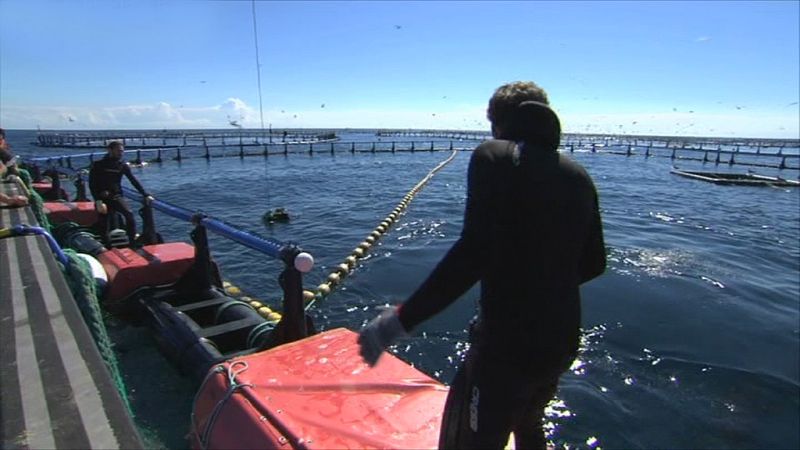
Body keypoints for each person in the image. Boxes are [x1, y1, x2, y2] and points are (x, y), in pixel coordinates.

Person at [358, 81, 606, 449]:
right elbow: (595, 263)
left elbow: (475, 250)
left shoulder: (495, 154)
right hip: (561, 340)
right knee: (529, 426)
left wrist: (398, 321)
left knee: (471, 438)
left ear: (496, 122)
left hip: (507, 346)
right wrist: (541, 280)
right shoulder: (577, 175)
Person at [89, 141, 153, 243]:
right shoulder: (98, 165)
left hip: (116, 196)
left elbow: (133, 180)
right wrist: (98, 200)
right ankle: (107, 247)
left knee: (129, 215)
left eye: (122, 151)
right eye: (118, 151)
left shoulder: (122, 165)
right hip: (102, 198)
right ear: (110, 150)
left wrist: (145, 194)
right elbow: (92, 184)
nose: (121, 153)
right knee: (104, 223)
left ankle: (132, 242)